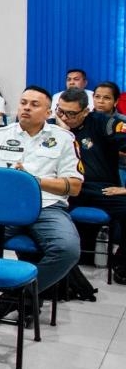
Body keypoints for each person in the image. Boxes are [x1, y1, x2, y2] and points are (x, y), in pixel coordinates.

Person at [0, 86, 83, 296]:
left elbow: (74, 186)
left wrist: (33, 182)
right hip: (4, 208)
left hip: (48, 207)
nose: (26, 108)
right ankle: (9, 293)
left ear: (48, 112)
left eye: (34, 104)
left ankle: (18, 296)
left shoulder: (64, 138)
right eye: (23, 103)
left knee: (68, 250)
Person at [54, 87, 126, 278]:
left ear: (86, 111)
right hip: (64, 188)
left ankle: (122, 263)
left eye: (71, 113)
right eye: (61, 111)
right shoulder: (52, 127)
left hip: (100, 188)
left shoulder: (104, 123)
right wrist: (61, 131)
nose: (65, 117)